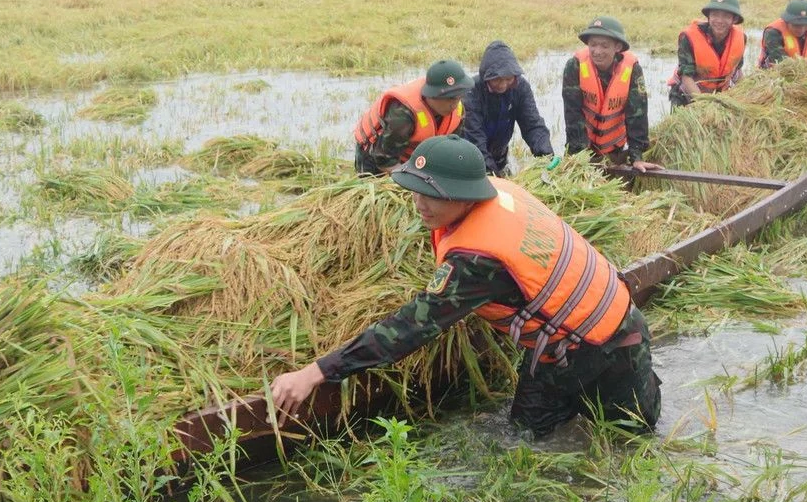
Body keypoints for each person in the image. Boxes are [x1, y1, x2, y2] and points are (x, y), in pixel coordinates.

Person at [271, 135, 661, 439]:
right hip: (569, 338)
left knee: (628, 441)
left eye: (433, 194)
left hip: (609, 348)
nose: (420, 204)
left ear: (464, 193)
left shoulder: (477, 262)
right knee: (527, 434)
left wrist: (316, 372)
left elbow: (409, 328)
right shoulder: (501, 192)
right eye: (416, 191)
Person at [562, 17, 661, 172]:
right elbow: (572, 114)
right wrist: (579, 158)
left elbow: (637, 115)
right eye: (593, 45)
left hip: (615, 149)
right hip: (582, 148)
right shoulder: (574, 66)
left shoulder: (632, 70)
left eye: (605, 46)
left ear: (618, 47)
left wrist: (636, 157)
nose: (597, 51)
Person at [353, 59, 472, 175]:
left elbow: (451, 149)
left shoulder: (458, 111)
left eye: (458, 96)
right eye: (448, 98)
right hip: (375, 156)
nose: (454, 104)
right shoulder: (402, 114)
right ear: (431, 95)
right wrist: (417, 178)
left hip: (412, 156)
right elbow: (384, 160)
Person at [460, 41, 552, 176]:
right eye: (496, 79)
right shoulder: (471, 91)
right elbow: (475, 138)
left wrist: (546, 156)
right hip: (471, 159)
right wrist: (492, 174)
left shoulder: (520, 88)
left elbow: (532, 125)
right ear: (486, 76)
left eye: (508, 78)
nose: (503, 85)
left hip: (499, 155)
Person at [667, 0, 746, 106]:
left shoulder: (741, 38)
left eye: (726, 16)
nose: (719, 20)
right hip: (686, 94)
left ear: (735, 19)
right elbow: (686, 76)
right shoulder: (689, 37)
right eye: (715, 15)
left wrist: (746, 96)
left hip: (718, 96)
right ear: (708, 17)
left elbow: (737, 70)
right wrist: (704, 105)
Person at [759, 0, 807, 69]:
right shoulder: (773, 33)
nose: (801, 29)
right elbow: (781, 60)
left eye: (806, 25)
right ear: (787, 21)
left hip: (804, 75)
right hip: (775, 76)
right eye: (796, 25)